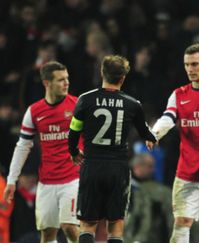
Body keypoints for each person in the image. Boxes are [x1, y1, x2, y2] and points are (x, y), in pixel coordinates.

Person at [68, 55, 156, 243]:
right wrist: (151, 138)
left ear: (102, 73)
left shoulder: (85, 100)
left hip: (92, 166)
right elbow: (144, 131)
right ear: (123, 78)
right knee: (115, 226)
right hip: (118, 169)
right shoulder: (133, 104)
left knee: (87, 225)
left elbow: (73, 131)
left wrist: (74, 152)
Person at [152, 43, 199, 243]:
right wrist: (155, 133)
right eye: (186, 65)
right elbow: (168, 117)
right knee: (182, 222)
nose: (190, 69)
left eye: (194, 64)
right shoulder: (179, 95)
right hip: (187, 172)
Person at [3, 61, 80, 243]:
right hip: (46, 182)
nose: (66, 83)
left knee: (69, 227)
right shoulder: (34, 111)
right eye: (61, 80)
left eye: (67, 79)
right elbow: (22, 147)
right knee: (47, 234)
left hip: (73, 178)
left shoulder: (78, 106)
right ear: (47, 83)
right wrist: (12, 180)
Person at [124, 153, 173, 243]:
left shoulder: (159, 191)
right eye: (150, 166)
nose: (153, 170)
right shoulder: (122, 188)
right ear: (138, 166)